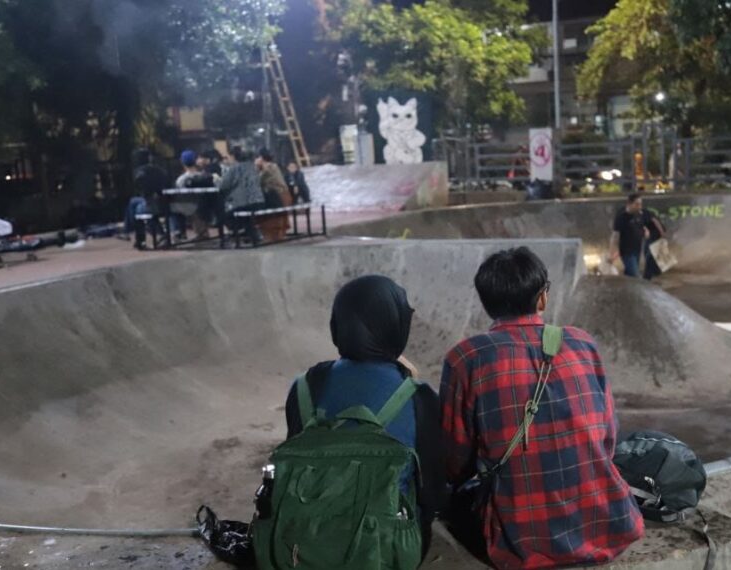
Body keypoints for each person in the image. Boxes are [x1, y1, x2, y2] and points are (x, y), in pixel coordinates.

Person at [440, 247, 644, 569]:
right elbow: (607, 438)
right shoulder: (582, 343)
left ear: (486, 302)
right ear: (542, 298)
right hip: (609, 526)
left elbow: (455, 462)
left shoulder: (466, 358)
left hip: (519, 543)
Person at [283, 275, 445, 556]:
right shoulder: (420, 397)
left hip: (308, 543)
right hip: (386, 550)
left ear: (336, 327)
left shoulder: (304, 387)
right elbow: (432, 493)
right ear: (397, 327)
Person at [218, 147, 265, 244]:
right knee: (245, 216)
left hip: (244, 202)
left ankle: (237, 234)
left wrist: (217, 181)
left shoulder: (234, 169)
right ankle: (251, 235)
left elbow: (224, 185)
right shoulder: (253, 167)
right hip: (259, 201)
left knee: (225, 214)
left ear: (234, 157)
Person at [123, 149, 169, 249]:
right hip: (163, 201)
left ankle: (137, 236)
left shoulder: (141, 171)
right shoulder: (159, 169)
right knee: (133, 202)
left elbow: (141, 187)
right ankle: (131, 234)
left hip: (154, 202)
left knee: (137, 210)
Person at [610, 193, 657, 278]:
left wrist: (646, 231)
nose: (639, 207)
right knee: (635, 275)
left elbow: (642, 226)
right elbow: (615, 236)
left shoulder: (639, 214)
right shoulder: (621, 217)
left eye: (640, 204)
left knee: (630, 275)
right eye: (637, 204)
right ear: (629, 204)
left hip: (637, 249)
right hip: (627, 252)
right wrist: (612, 253)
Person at [256, 148, 292, 240]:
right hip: (284, 193)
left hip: (277, 195)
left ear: (261, 158)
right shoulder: (273, 166)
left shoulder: (267, 168)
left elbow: (258, 181)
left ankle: (274, 236)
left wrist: (257, 167)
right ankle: (278, 235)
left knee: (273, 218)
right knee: (279, 217)